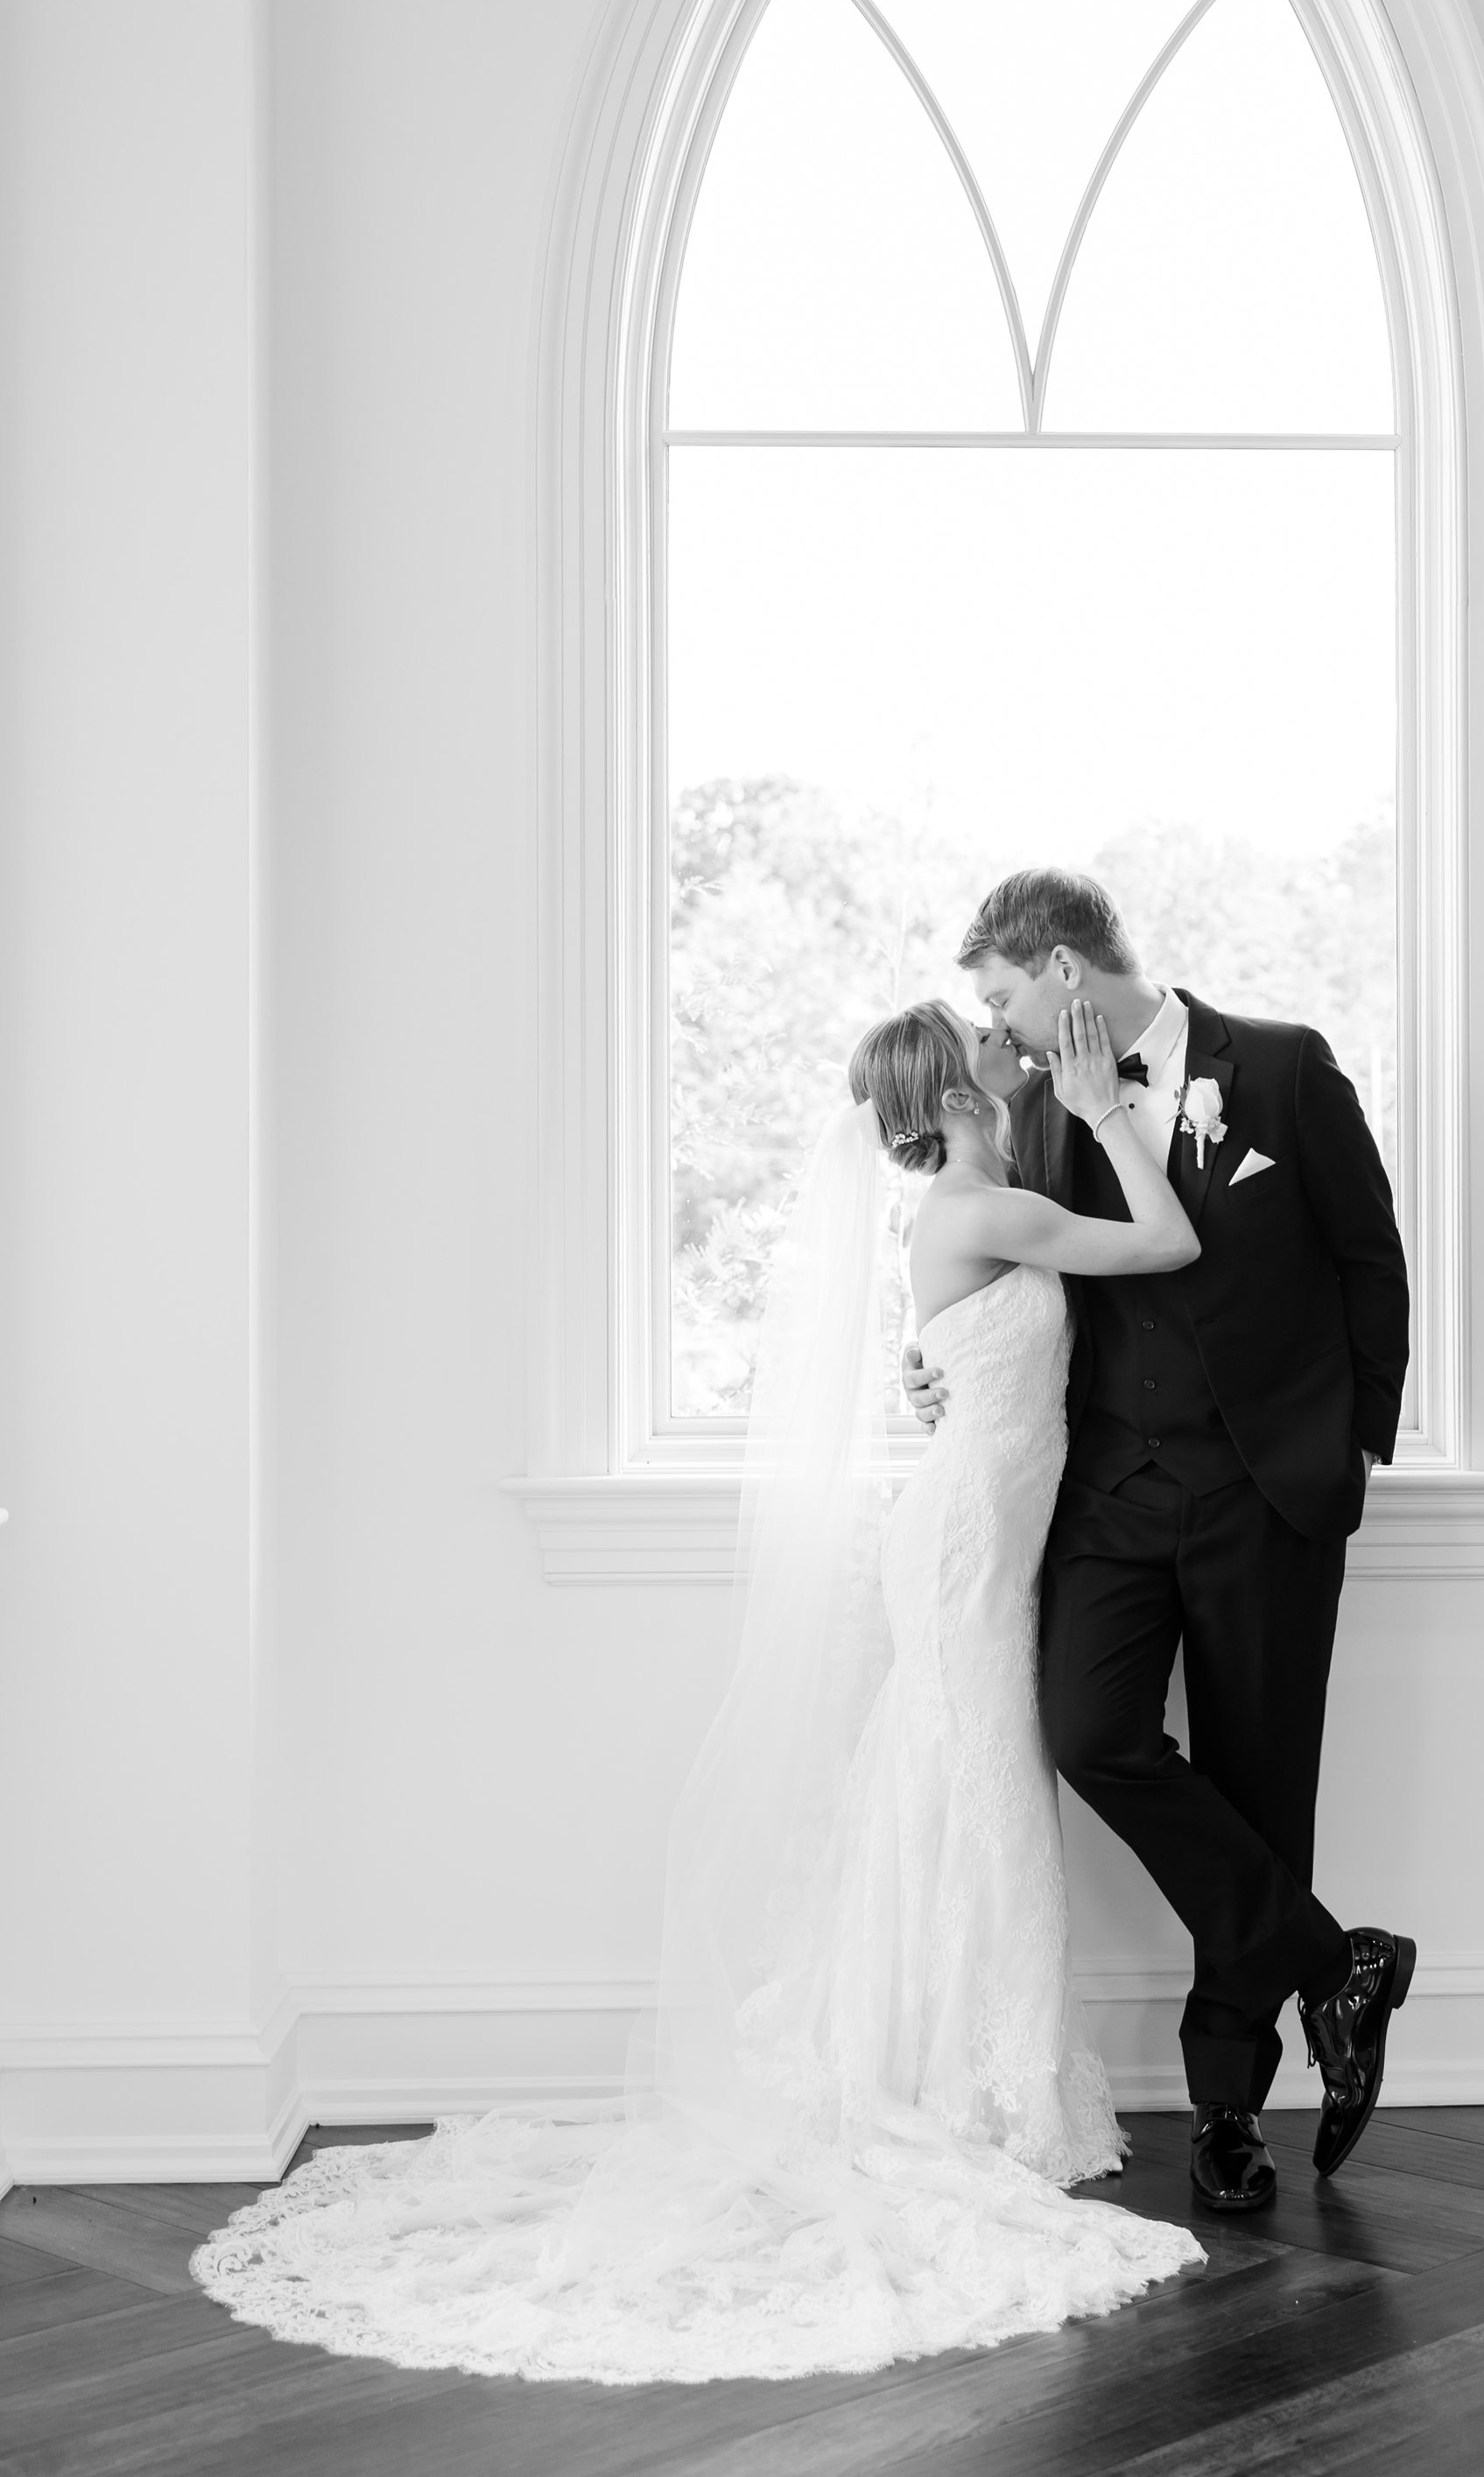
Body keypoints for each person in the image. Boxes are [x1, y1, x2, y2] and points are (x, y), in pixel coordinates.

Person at [191, 997, 1204, 2384]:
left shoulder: (983, 1207)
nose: (1003, 1042)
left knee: (953, 1789)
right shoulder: (985, 1211)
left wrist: (943, 1364)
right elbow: (1167, 1240)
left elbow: (983, 1360)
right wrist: (1101, 1115)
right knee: (980, 1792)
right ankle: (975, 2092)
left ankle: (953, 2071)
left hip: (980, 1530)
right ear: (954, 1092)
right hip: (968, 1539)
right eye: (986, 1037)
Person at [906, 868, 1414, 2216]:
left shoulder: (1287, 1067)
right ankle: (1335, 1961)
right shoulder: (1030, 1113)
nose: (1000, 1032)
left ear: (1065, 969)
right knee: (1090, 1734)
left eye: (1005, 998)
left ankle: (1228, 2112)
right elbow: (995, 1267)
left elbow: (1371, 1256)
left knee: (1261, 1785)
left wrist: (1356, 1436)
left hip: (1269, 1495)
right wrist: (936, 1365)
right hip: (1106, 1499)